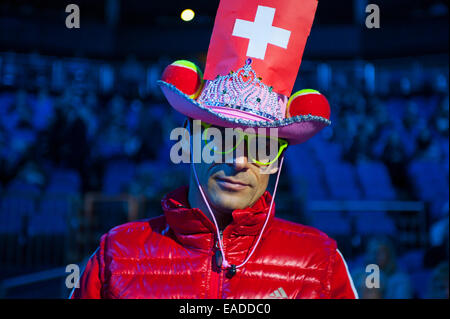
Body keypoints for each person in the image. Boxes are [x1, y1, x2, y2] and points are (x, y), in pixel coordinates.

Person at [70, 0, 358, 299]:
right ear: (190, 139)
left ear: (278, 161)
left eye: (262, 148)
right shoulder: (116, 255)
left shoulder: (319, 263)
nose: (239, 161)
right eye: (221, 139)